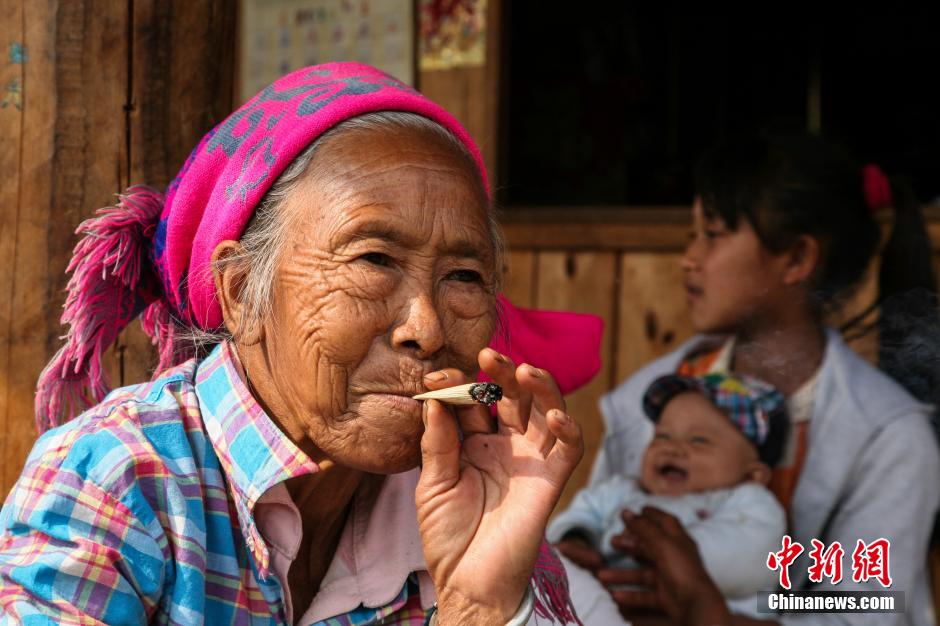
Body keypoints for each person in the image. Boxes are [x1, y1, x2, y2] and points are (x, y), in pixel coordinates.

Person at [0, 62, 605, 625]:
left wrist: (480, 606)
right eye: (374, 261)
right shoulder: (121, 480)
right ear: (241, 293)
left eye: (465, 278)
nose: (428, 329)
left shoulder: (471, 497)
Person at [556, 133, 940, 626]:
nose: (689, 258)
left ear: (798, 259)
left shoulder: (889, 437)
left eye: (712, 234)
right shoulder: (650, 397)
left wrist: (712, 612)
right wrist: (579, 554)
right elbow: (599, 518)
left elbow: (867, 607)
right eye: (691, 234)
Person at [549, 372, 788, 620]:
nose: (672, 447)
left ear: (753, 475)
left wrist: (661, 553)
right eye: (662, 435)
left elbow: (752, 559)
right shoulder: (623, 490)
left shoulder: (750, 502)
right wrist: (577, 539)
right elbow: (584, 512)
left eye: (699, 440)